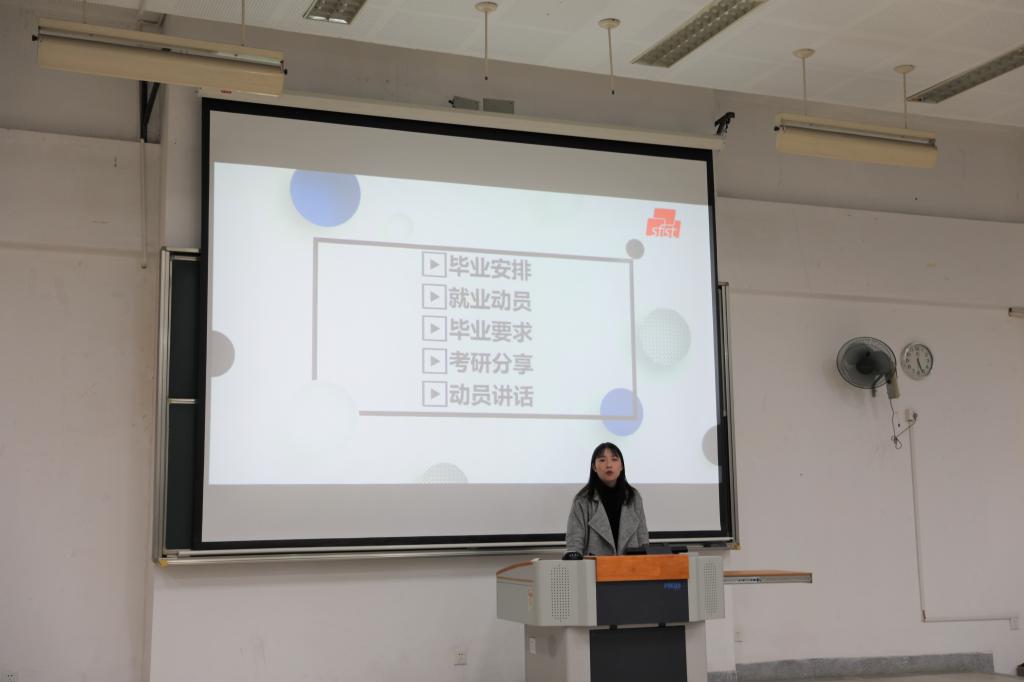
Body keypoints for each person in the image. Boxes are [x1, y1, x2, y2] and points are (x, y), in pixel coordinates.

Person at [564, 442, 649, 556]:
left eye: (614, 459)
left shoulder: (633, 497)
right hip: (595, 566)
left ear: (621, 466)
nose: (609, 465)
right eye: (602, 460)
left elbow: (643, 539)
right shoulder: (582, 500)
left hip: (631, 566)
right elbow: (574, 544)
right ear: (594, 467)